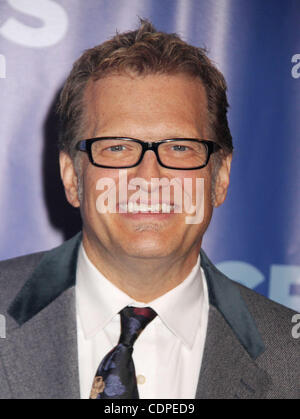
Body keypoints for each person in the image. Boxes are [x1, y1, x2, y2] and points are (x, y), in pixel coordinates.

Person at [0, 20, 298, 400]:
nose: (148, 177)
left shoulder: (292, 359)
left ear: (219, 177)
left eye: (179, 148)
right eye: (117, 147)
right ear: (72, 177)